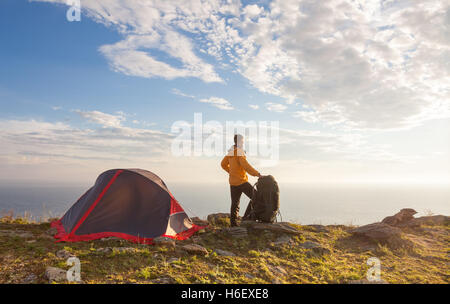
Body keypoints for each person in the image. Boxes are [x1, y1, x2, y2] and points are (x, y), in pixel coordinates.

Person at [221, 134, 261, 227]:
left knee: (235, 204)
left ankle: (233, 225)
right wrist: (257, 174)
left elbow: (223, 164)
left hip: (233, 182)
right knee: (256, 198)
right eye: (242, 141)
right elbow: (245, 165)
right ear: (239, 142)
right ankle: (246, 219)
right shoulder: (239, 151)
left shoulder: (231, 152)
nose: (243, 143)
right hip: (241, 182)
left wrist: (231, 172)